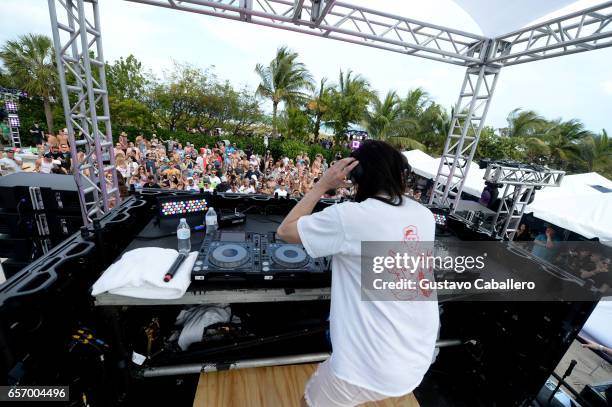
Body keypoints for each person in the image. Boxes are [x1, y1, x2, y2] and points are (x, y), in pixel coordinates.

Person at [277, 140, 438, 407]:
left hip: (371, 367)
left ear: (357, 176)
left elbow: (285, 231)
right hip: (418, 356)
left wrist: (322, 185)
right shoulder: (423, 215)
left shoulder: (350, 217)